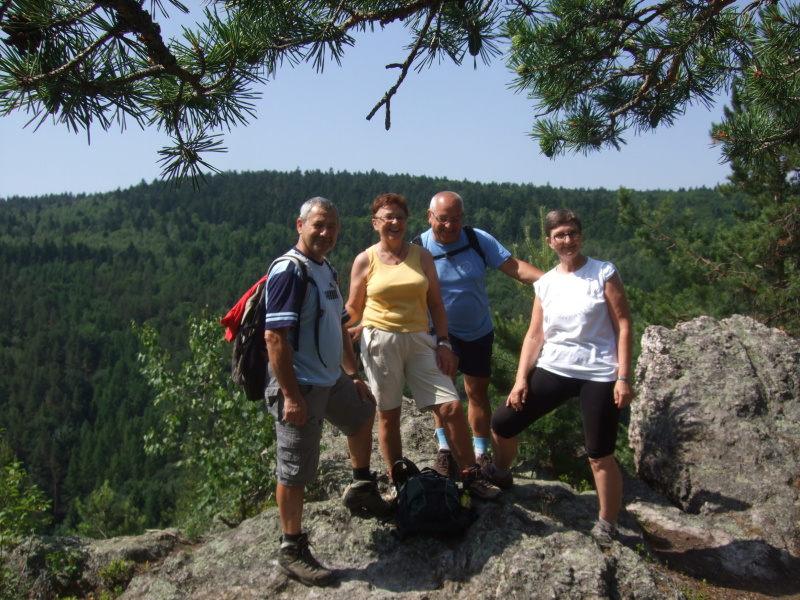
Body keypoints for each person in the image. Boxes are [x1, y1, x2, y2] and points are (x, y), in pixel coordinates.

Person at [486, 209, 633, 545]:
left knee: (599, 454)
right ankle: (500, 473)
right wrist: (521, 378)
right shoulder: (546, 282)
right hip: (555, 367)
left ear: (580, 235)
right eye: (560, 235)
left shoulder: (603, 273)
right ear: (549, 241)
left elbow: (624, 325)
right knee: (503, 422)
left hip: (598, 373)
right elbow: (535, 335)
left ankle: (607, 523)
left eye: (573, 233)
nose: (568, 241)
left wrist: (623, 377)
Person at [264, 197, 390, 587]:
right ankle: (291, 548)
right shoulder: (290, 271)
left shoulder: (325, 269)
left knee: (361, 413)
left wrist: (353, 375)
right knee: (295, 468)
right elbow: (274, 336)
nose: (326, 233)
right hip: (299, 384)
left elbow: (337, 326)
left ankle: (360, 487)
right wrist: (290, 396)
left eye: (332, 227)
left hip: (329, 377)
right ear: (299, 225)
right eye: (318, 225)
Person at [345, 193, 501, 502]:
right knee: (388, 414)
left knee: (451, 405)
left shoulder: (421, 255)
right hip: (380, 341)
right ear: (375, 223)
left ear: (406, 222)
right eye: (387, 217)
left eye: (400, 218)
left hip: (420, 338)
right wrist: (336, 325)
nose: (395, 223)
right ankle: (399, 479)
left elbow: (436, 304)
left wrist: (443, 342)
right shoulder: (366, 259)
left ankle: (470, 474)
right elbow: (353, 306)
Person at [415, 191, 543, 476]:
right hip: (440, 335)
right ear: (429, 216)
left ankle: (480, 452)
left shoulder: (476, 239)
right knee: (445, 396)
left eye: (456, 220)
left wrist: (552, 281)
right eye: (443, 219)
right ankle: (445, 451)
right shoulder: (418, 248)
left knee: (476, 393)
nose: (449, 226)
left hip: (478, 332)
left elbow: (515, 267)